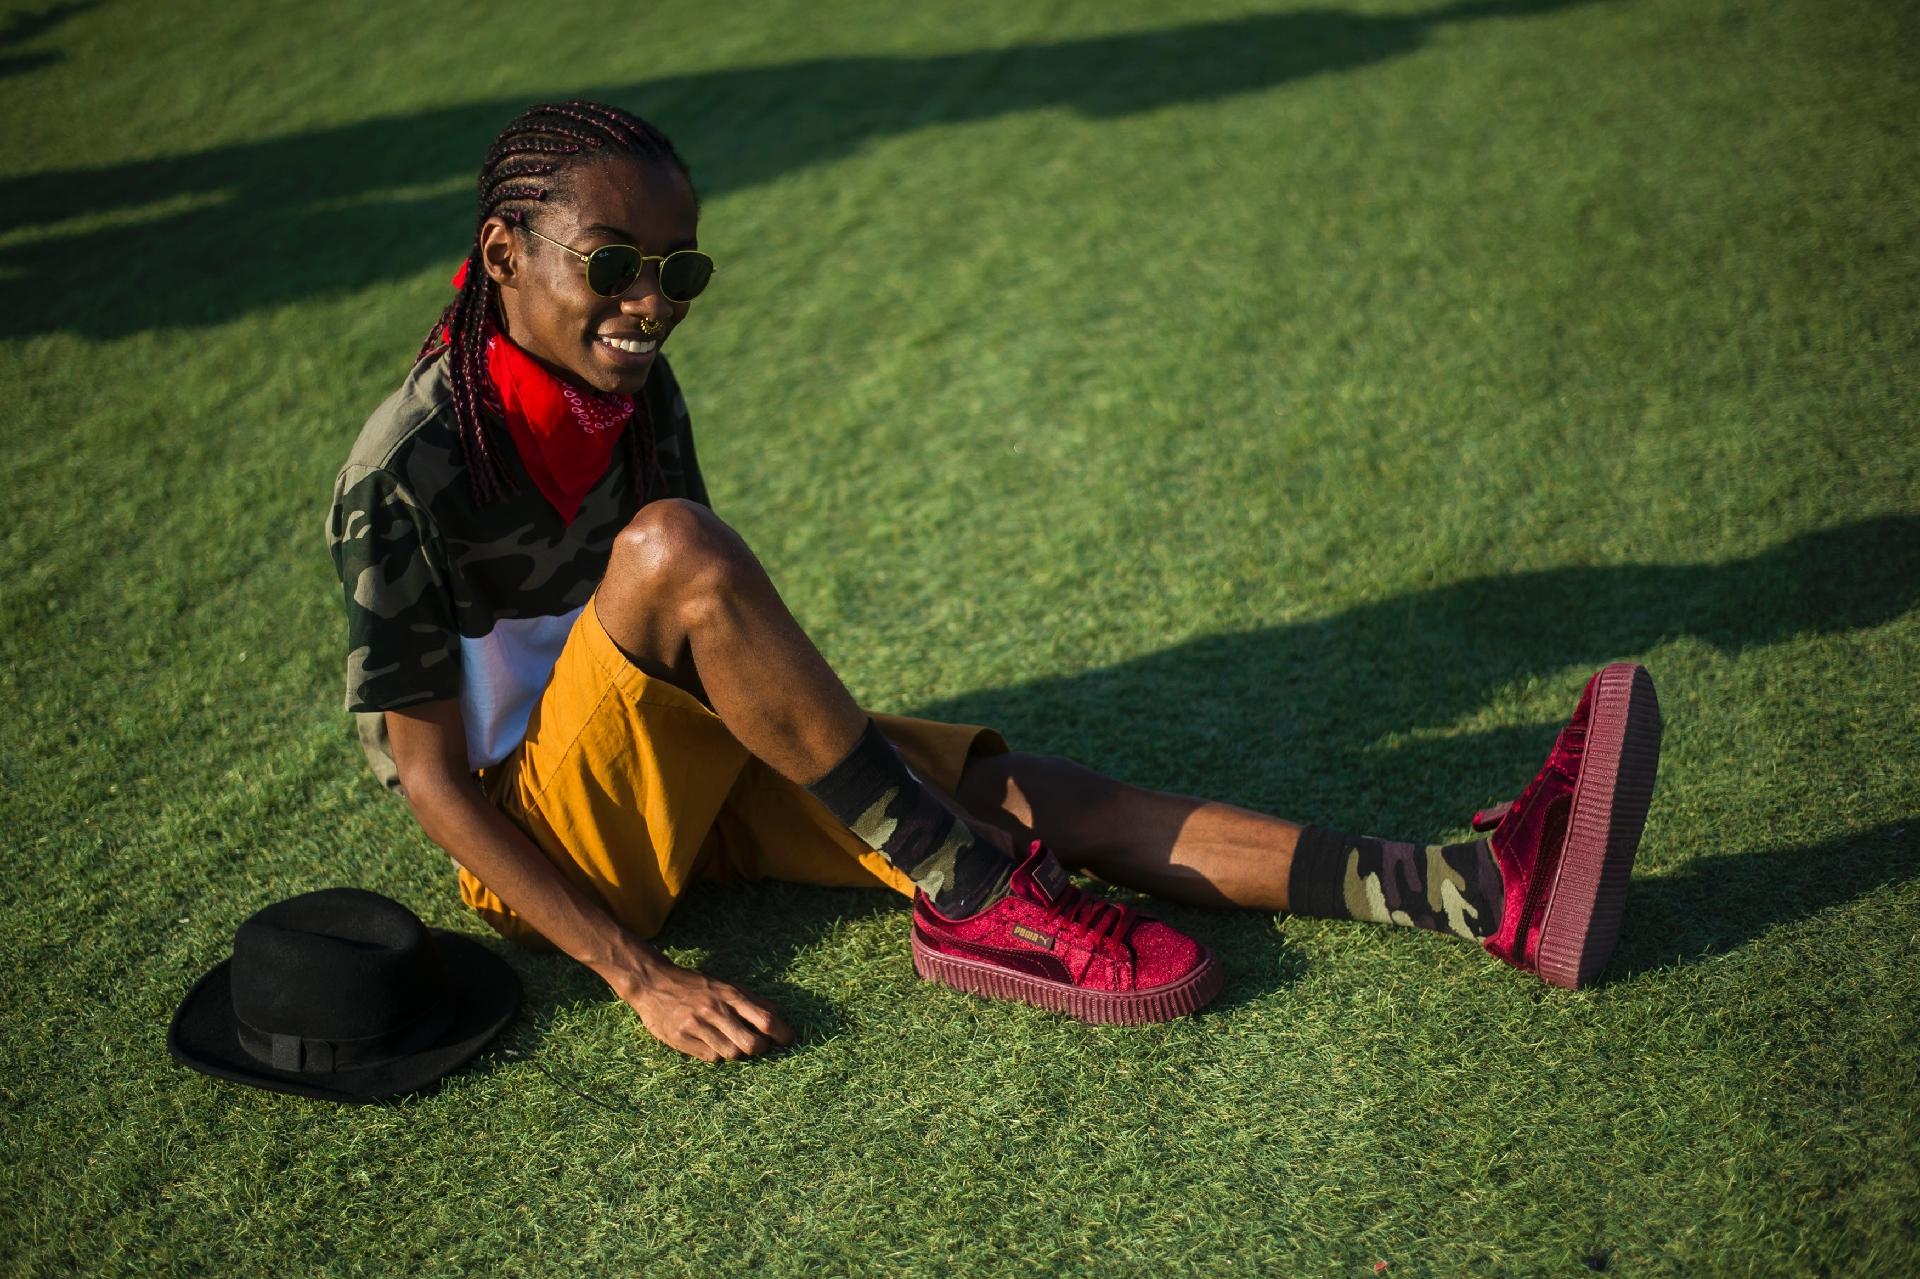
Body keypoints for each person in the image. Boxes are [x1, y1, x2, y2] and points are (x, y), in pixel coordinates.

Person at [327, 100, 1662, 1064]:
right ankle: (967, 895)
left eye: (679, 273)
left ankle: (1466, 889)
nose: (651, 303)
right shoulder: (410, 466)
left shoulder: (633, 388)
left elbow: (683, 648)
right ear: (503, 253)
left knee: (1023, 793)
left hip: (669, 759)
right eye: (611, 266)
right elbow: (438, 779)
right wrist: (638, 979)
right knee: (680, 550)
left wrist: (841, 759)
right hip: (555, 843)